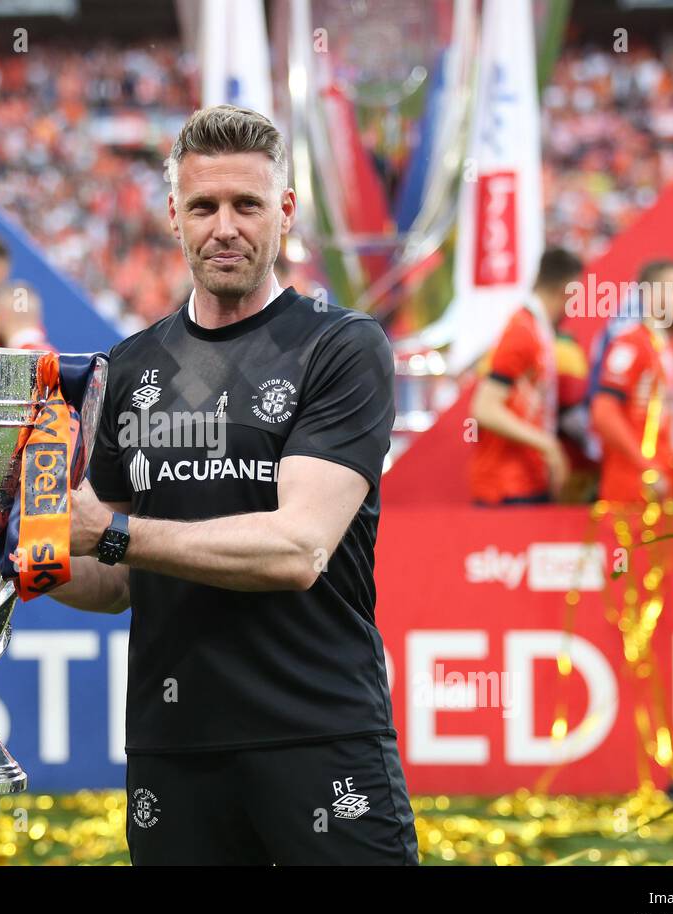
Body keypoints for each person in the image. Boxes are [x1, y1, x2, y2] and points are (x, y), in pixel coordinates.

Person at [49, 105, 417, 865]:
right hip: (173, 745)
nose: (225, 226)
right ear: (173, 217)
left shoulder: (339, 347)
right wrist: (20, 547)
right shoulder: (131, 367)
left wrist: (112, 533)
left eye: (246, 205)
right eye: (203, 206)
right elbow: (109, 581)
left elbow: (297, 549)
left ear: (283, 212)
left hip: (318, 731)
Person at [469, 247, 583, 504]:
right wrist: (549, 446)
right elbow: (484, 407)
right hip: (507, 486)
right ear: (566, 288)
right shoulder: (522, 331)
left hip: (525, 479)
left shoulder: (537, 329)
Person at [589, 260, 673, 503]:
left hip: (666, 485)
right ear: (650, 295)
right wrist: (646, 467)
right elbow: (603, 412)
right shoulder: (631, 344)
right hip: (634, 491)